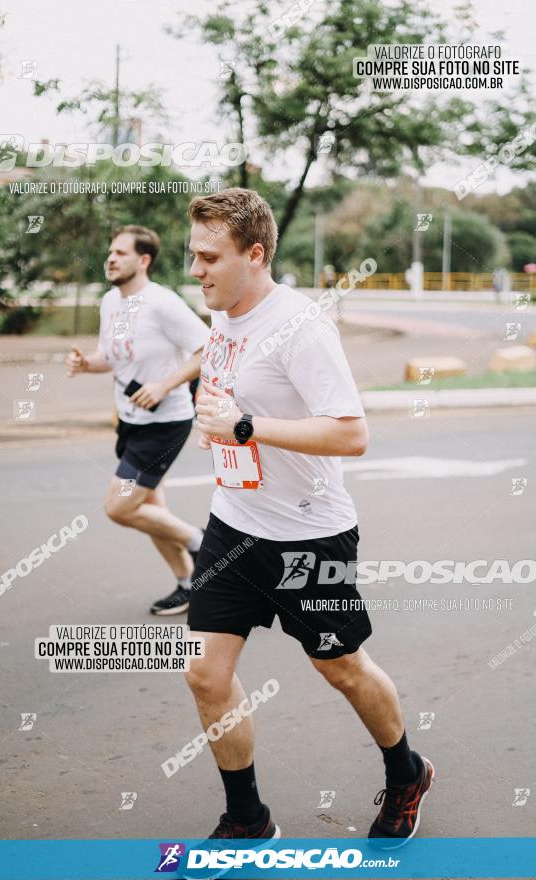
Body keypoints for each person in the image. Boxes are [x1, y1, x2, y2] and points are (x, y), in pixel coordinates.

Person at [184, 189, 434, 845]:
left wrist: (243, 425)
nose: (196, 270)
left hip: (307, 533)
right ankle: (247, 816)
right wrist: (217, 422)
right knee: (204, 673)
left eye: (209, 257)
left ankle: (406, 771)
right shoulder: (222, 317)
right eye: (192, 256)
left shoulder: (300, 324)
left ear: (254, 254)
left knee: (340, 666)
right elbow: (233, 400)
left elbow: (351, 434)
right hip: (233, 523)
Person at [65, 225, 209, 615]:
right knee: (150, 510)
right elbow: (111, 358)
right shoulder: (111, 303)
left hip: (164, 423)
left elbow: (206, 348)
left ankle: (203, 543)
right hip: (130, 422)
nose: (111, 258)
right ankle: (188, 582)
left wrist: (165, 385)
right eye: (110, 252)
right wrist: (85, 364)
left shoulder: (162, 303)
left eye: (121, 253)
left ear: (143, 260)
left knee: (120, 507)